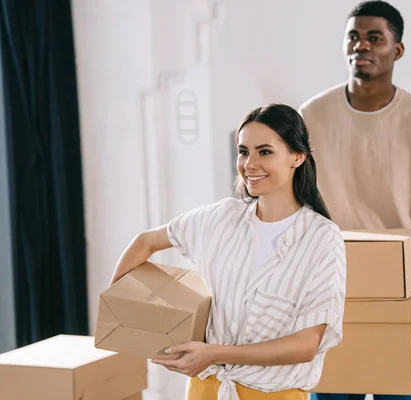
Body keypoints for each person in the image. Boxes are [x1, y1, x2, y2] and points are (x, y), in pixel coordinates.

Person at [109, 104, 347, 400]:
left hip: (273, 395)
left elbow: (306, 344)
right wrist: (120, 312)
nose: (249, 164)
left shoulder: (321, 238)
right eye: (243, 151)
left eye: (264, 152)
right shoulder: (221, 218)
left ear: (297, 157)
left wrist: (213, 353)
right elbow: (145, 242)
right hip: (206, 390)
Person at [300, 2, 411, 400]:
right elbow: (294, 205)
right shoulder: (311, 117)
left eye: (375, 38)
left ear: (397, 50)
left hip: (404, 289)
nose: (362, 46)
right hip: (330, 289)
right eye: (353, 37)